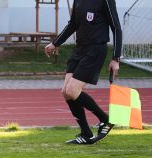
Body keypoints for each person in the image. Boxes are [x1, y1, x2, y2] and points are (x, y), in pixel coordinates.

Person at [45, 0, 122, 144]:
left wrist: (116, 58)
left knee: (72, 90)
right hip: (79, 49)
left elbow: (116, 27)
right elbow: (73, 24)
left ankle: (106, 120)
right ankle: (86, 133)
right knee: (66, 92)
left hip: (96, 49)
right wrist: (55, 43)